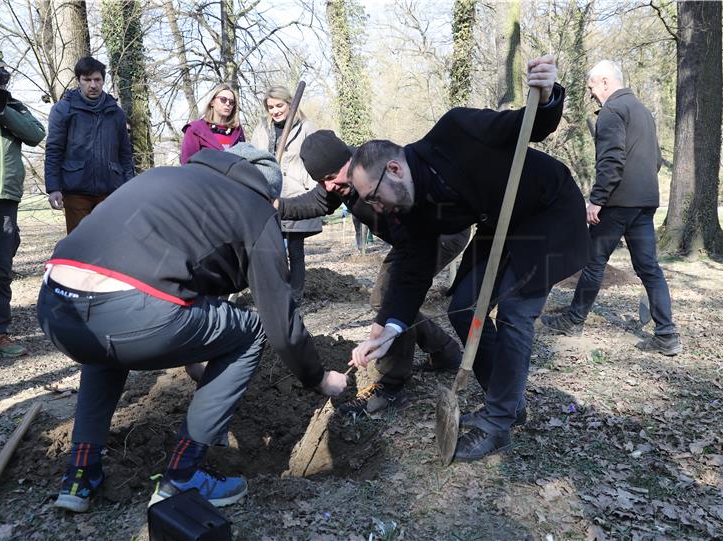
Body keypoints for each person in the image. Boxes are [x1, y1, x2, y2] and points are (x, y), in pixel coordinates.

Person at [37, 148, 348, 513]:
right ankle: (184, 473)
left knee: (105, 347)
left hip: (56, 305)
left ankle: (80, 473)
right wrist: (318, 377)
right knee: (251, 331)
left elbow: (185, 274)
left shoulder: (169, 179)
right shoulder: (256, 208)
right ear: (269, 192)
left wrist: (197, 353)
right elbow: (279, 319)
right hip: (132, 314)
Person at [346, 56, 591, 462]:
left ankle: (498, 422)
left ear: (394, 168)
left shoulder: (455, 131)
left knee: (515, 311)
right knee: (463, 307)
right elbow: (412, 270)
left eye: (374, 196)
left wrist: (546, 97)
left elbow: (525, 125)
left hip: (546, 211)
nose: (376, 208)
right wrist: (390, 326)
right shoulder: (409, 208)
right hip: (500, 222)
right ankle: (507, 400)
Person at [276, 130, 469, 416]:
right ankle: (444, 351)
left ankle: (392, 382)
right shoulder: (338, 182)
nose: (328, 187)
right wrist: (277, 206)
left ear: (348, 160)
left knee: (387, 299)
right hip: (408, 241)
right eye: (321, 181)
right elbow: (316, 202)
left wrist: (387, 318)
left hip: (440, 233)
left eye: (331, 177)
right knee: (390, 304)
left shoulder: (372, 170)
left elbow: (411, 249)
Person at [540, 60, 681, 356]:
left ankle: (573, 321)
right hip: (645, 203)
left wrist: (597, 199)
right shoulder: (643, 112)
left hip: (617, 203)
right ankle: (666, 335)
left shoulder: (612, 111)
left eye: (592, 87)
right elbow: (655, 161)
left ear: (605, 82)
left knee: (593, 263)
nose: (591, 94)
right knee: (649, 269)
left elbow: (612, 160)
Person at [0, 48, 45, 356]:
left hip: (7, 201)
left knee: (0, 272)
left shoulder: (12, 105)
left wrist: (2, 109)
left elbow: (36, 133)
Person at [44, 56, 134, 233]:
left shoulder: (115, 112)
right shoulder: (63, 109)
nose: (93, 85)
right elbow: (54, 150)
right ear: (78, 80)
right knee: (80, 246)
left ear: (103, 80)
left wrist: (129, 186)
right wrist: (53, 188)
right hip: (75, 190)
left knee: (109, 244)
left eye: (97, 79)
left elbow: (125, 153)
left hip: (110, 192)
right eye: (87, 80)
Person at [251, 85, 319, 304]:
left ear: (290, 104)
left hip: (295, 193)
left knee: (296, 250)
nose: (275, 111)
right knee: (273, 249)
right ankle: (277, 293)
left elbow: (315, 158)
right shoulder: (262, 127)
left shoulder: (305, 126)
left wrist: (311, 187)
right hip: (268, 194)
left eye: (279, 105)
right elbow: (253, 157)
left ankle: (295, 296)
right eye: (270, 107)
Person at [180, 83, 245, 164]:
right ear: (212, 102)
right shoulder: (195, 129)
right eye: (223, 99)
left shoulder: (237, 130)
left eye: (231, 102)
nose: (228, 104)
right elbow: (187, 164)